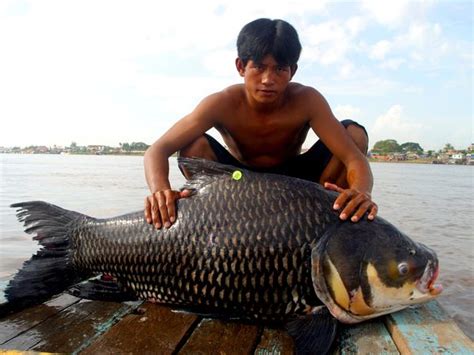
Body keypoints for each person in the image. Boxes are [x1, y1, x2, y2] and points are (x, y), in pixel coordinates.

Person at [144, 18, 377, 229]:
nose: (268, 80)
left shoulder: (308, 101)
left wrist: (362, 191)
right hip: (238, 183)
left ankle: (332, 217)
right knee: (193, 146)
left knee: (354, 135)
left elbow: (352, 157)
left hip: (296, 183)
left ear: (292, 71)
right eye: (259, 67)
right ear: (241, 67)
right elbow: (157, 150)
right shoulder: (221, 103)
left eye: (279, 69)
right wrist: (160, 191)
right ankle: (221, 221)